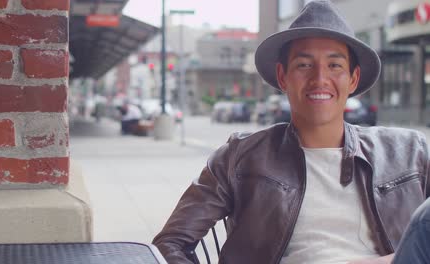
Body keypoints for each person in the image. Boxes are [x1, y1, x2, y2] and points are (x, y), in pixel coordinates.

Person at [153, 1, 430, 264]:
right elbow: (170, 243)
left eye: (334, 65)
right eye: (304, 65)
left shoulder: (408, 152)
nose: (320, 78)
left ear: (353, 78)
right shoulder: (240, 157)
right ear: (283, 76)